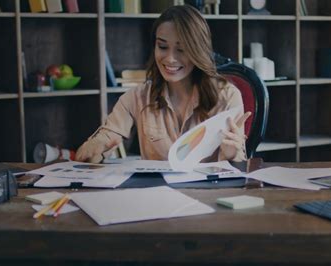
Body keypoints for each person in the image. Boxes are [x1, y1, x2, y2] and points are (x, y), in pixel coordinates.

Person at [75, 5, 250, 163]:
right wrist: (96, 147)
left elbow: (237, 168)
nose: (170, 59)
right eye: (162, 47)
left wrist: (231, 154)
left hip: (208, 195)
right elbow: (105, 138)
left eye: (181, 49)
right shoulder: (137, 97)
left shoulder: (227, 96)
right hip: (156, 194)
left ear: (198, 51)